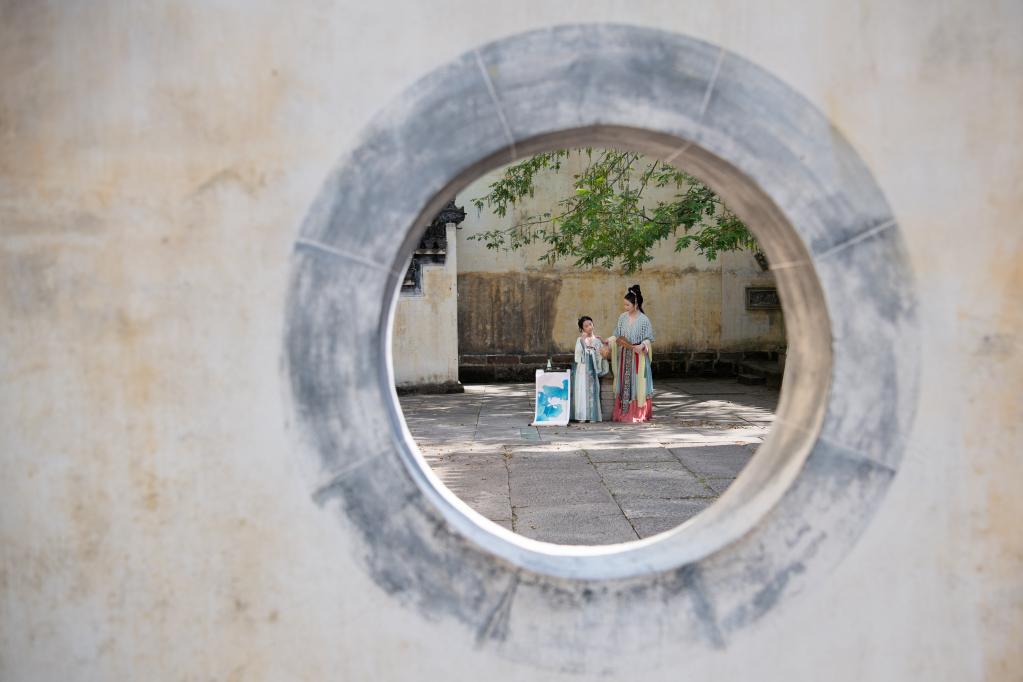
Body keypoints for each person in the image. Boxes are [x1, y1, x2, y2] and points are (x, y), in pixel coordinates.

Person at [606, 284, 655, 422]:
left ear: (636, 304)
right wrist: (607, 341)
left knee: (638, 384)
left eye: (627, 305)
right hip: (624, 356)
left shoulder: (644, 320)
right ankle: (624, 411)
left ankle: (637, 413)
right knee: (624, 384)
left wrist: (642, 345)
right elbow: (616, 335)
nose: (625, 307)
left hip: (638, 357)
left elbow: (649, 339)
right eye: (624, 304)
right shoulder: (622, 318)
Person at [570, 316, 609, 422]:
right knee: (582, 391)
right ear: (582, 329)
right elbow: (578, 356)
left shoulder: (597, 340)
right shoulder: (580, 340)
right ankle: (582, 416)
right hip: (582, 369)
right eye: (586, 326)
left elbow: (602, 355)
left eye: (590, 324)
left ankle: (592, 416)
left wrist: (604, 345)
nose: (589, 327)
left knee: (592, 391)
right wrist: (583, 341)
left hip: (592, 369)